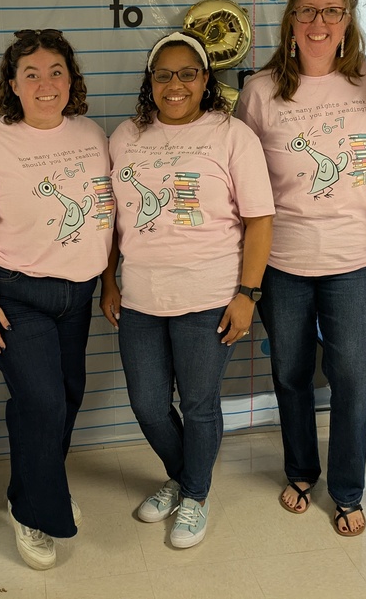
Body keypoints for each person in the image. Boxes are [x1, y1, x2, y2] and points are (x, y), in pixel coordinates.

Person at [101, 31, 274, 548]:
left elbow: (260, 220)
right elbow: (112, 221)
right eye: (163, 74)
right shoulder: (125, 136)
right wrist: (108, 281)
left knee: (199, 405)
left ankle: (194, 494)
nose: (174, 84)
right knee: (148, 404)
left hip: (209, 298)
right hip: (140, 298)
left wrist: (248, 294)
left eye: (187, 74)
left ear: (205, 80)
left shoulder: (232, 135)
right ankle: (182, 477)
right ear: (149, 82)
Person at [236, 0, 366, 536]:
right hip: (284, 261)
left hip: (356, 259)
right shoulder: (260, 91)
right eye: (308, 11)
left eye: (332, 11)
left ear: (348, 19)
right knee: (291, 372)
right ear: (291, 19)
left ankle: (347, 489)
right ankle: (301, 470)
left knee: (354, 378)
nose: (319, 23)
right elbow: (243, 184)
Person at [0, 29, 113, 570]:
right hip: (16, 296)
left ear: (71, 80)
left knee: (64, 398)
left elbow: (105, 213)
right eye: (31, 74)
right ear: (12, 84)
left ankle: (33, 488)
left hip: (78, 295)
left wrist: (109, 281)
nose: (46, 84)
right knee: (42, 403)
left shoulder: (92, 134)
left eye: (56, 72)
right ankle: (34, 512)